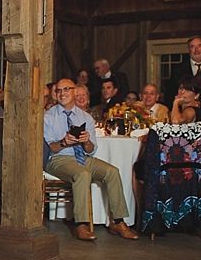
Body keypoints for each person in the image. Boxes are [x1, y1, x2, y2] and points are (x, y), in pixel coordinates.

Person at [44, 78, 139, 242]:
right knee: (82, 174)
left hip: (82, 156)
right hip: (58, 159)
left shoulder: (86, 117)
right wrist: (63, 142)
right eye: (59, 90)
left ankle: (118, 222)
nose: (62, 93)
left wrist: (86, 141)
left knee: (112, 172)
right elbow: (50, 147)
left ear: (74, 91)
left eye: (66, 89)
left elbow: (91, 150)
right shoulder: (48, 117)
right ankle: (81, 224)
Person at [164, 36, 201, 105]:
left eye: (199, 46)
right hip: (184, 110)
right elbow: (170, 93)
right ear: (189, 49)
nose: (196, 50)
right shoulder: (177, 69)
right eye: (192, 47)